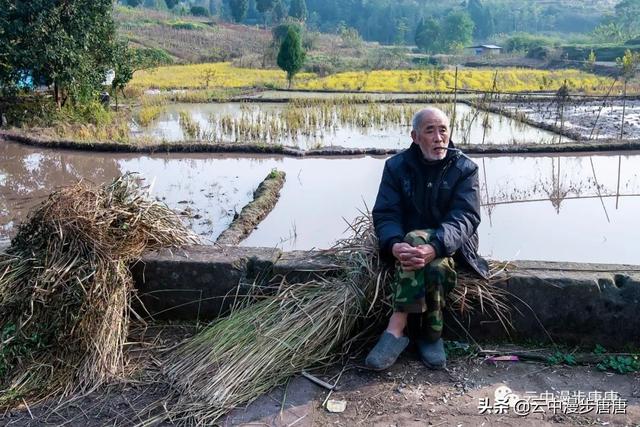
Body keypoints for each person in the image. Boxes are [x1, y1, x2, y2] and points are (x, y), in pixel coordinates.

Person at [366, 107, 489, 370]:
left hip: (453, 244)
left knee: (421, 242)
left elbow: (465, 217)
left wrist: (435, 246)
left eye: (443, 130)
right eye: (430, 130)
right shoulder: (397, 167)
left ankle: (396, 328)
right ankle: (432, 335)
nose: (438, 137)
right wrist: (394, 244)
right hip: (410, 248)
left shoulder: (465, 168)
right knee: (431, 264)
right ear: (415, 136)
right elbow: (386, 213)